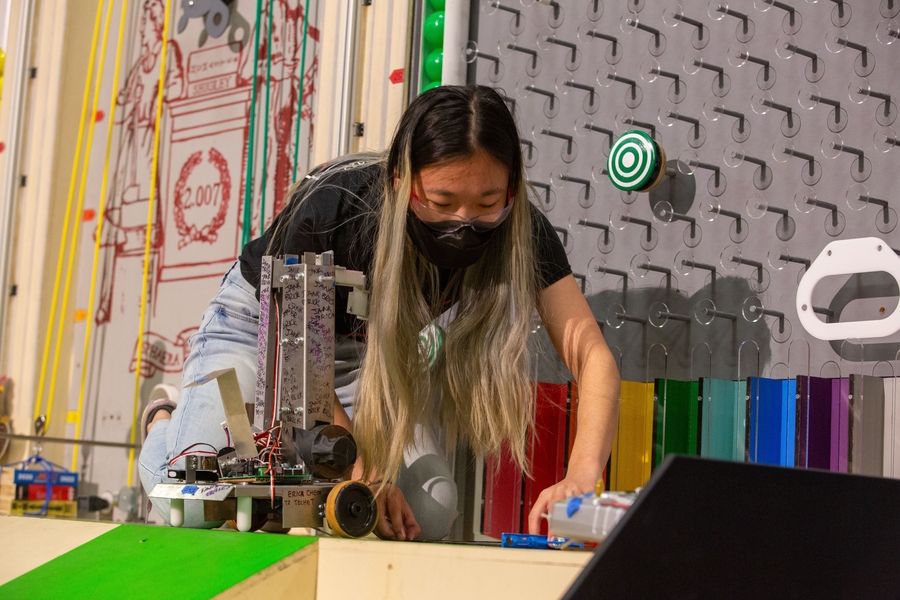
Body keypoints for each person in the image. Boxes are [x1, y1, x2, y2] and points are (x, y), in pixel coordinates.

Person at [139, 84, 620, 541]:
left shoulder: (521, 230)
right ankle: (164, 420)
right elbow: (303, 364)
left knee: (428, 512)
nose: (464, 224)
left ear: (511, 191)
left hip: (367, 360)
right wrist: (364, 470)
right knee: (199, 499)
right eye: (443, 202)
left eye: (488, 203)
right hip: (263, 335)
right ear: (401, 181)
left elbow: (592, 357)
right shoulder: (333, 209)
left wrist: (580, 478)